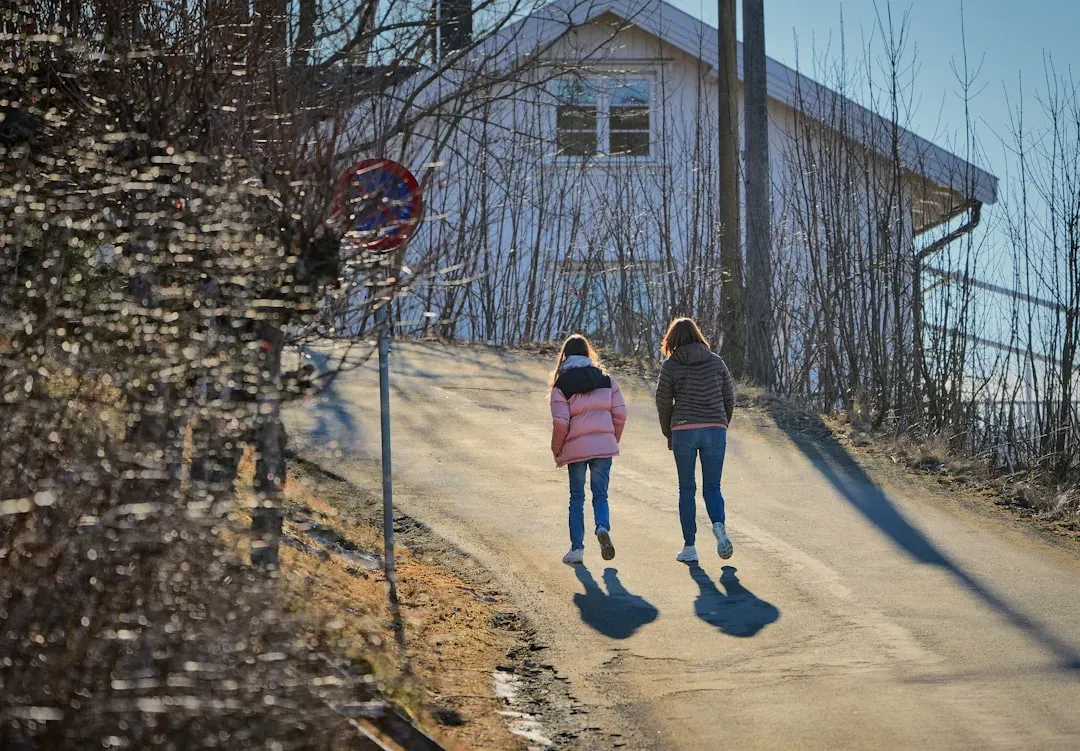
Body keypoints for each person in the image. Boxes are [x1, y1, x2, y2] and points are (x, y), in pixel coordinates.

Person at [654, 317, 736, 563]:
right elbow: (729, 397)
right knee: (713, 487)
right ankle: (719, 526)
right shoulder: (716, 362)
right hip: (715, 428)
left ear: (673, 340)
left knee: (686, 489)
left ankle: (689, 547)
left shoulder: (671, 366)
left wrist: (669, 432)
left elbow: (662, 401)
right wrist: (722, 423)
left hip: (684, 430)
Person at [550, 335, 627, 565]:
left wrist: (557, 451)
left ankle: (577, 549)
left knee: (577, 497)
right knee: (600, 495)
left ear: (565, 356)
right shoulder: (606, 379)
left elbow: (561, 423)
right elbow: (620, 414)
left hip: (576, 449)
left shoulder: (561, 385)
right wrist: (611, 439)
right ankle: (602, 527)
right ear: (587, 354)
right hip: (603, 448)